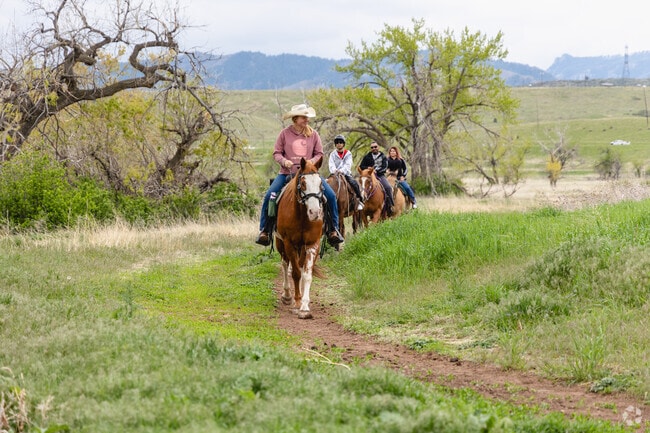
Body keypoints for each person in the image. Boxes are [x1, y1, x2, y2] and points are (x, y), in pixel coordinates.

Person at [255, 103, 345, 248]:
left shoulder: (314, 134)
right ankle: (264, 230)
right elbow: (276, 153)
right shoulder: (284, 134)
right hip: (286, 173)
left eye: (307, 117)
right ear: (295, 118)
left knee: (331, 196)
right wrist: (284, 161)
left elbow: (319, 154)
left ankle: (333, 230)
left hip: (310, 174)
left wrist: (311, 162)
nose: (306, 120)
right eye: (304, 117)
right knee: (270, 196)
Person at [328, 134, 364, 211]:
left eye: (340, 142)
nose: (339, 144)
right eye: (337, 143)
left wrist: (341, 171)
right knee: (326, 183)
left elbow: (348, 164)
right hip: (334, 174)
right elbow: (331, 164)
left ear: (343, 144)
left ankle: (359, 200)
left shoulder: (348, 153)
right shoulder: (332, 154)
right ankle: (324, 203)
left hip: (345, 173)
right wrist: (334, 171)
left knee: (354, 183)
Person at [358, 142, 394, 216]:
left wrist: (376, 171)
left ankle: (390, 205)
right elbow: (361, 166)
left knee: (388, 187)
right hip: (369, 176)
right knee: (360, 187)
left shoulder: (383, 156)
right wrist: (368, 169)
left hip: (380, 175)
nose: (374, 148)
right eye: (372, 147)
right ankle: (359, 205)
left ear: (378, 147)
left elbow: (385, 167)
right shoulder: (367, 156)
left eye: (375, 147)